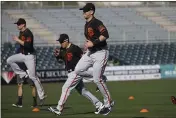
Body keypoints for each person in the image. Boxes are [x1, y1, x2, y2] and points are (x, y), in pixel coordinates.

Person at [48, 34, 107, 115]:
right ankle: (99, 105)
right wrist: (57, 56)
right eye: (59, 42)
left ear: (66, 40)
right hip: (70, 72)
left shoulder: (74, 48)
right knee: (83, 91)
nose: (60, 43)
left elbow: (84, 57)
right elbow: (62, 60)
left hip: (75, 72)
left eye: (61, 42)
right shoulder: (62, 49)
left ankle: (59, 108)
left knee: (66, 88)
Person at [75, 3, 113, 115]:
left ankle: (108, 104)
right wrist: (87, 45)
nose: (84, 12)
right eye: (83, 11)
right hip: (91, 53)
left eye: (86, 11)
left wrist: (93, 42)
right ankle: (100, 78)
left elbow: (105, 34)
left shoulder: (97, 22)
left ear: (91, 11)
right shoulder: (86, 24)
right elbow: (90, 39)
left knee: (97, 79)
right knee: (78, 70)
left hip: (101, 52)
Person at [6, 18, 46, 106]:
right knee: (9, 60)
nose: (17, 25)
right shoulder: (21, 32)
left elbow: (28, 45)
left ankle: (42, 95)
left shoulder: (28, 33)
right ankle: (22, 73)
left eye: (19, 24)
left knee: (33, 76)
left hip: (30, 56)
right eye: (17, 24)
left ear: (23, 24)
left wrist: (17, 40)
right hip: (23, 55)